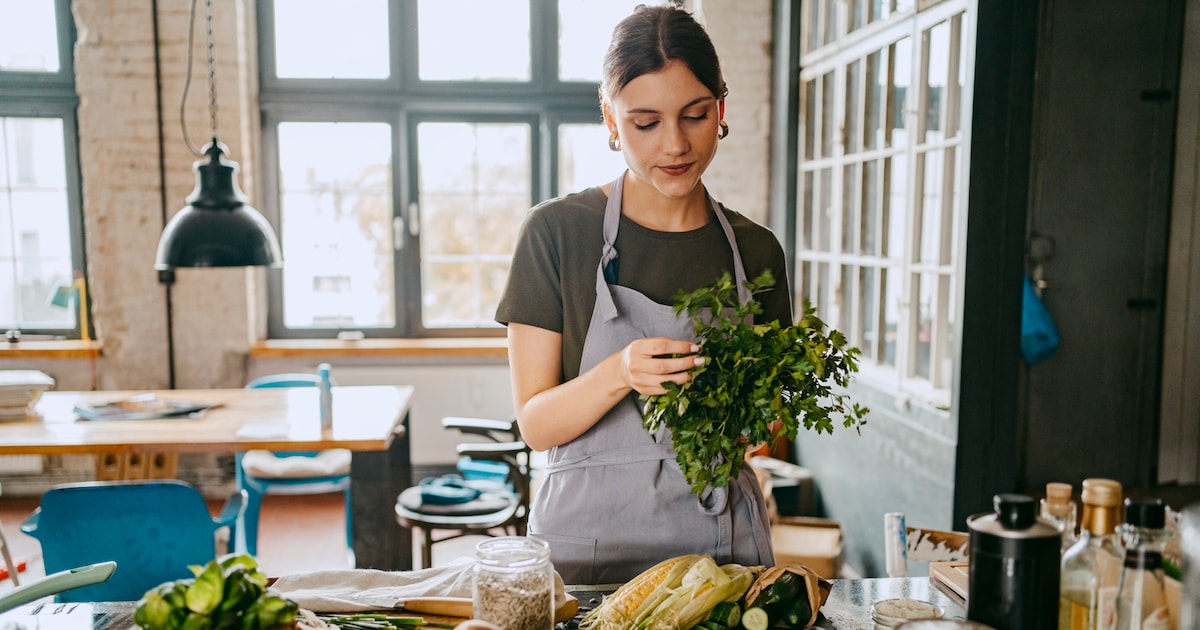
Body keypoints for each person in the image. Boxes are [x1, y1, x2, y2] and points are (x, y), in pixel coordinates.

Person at [494, 4, 792, 585]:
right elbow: (535, 424)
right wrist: (620, 373)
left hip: (720, 550)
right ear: (610, 121)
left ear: (721, 109)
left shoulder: (755, 252)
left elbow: (769, 429)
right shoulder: (556, 234)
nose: (675, 145)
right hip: (586, 554)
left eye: (695, 115)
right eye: (645, 122)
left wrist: (760, 424)